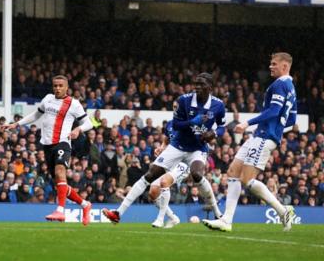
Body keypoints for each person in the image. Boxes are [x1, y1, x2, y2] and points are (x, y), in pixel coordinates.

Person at [103, 73, 225, 223]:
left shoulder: (218, 105)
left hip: (197, 148)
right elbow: (176, 125)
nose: (197, 87)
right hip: (178, 146)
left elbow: (222, 127)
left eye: (202, 84)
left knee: (197, 175)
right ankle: (118, 213)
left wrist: (214, 133)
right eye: (196, 84)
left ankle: (217, 213)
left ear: (210, 87)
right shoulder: (184, 100)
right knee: (150, 175)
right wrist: (193, 121)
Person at [203, 52, 297, 232]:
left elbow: (274, 111)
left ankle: (282, 210)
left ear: (285, 66)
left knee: (247, 179)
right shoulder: (291, 87)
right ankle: (226, 220)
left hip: (264, 137)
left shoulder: (280, 85)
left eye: (274, 64)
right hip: (261, 135)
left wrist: (248, 123)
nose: (270, 66)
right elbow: (291, 119)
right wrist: (275, 128)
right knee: (232, 172)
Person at [4, 75, 93, 225]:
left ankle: (60, 210)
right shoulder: (47, 99)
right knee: (59, 183)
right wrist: (17, 124)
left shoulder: (74, 104)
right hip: (47, 145)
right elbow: (37, 114)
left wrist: (78, 129)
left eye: (60, 86)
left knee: (60, 172)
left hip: (62, 143)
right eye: (55, 86)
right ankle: (85, 204)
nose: (57, 88)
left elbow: (89, 123)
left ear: (66, 88)